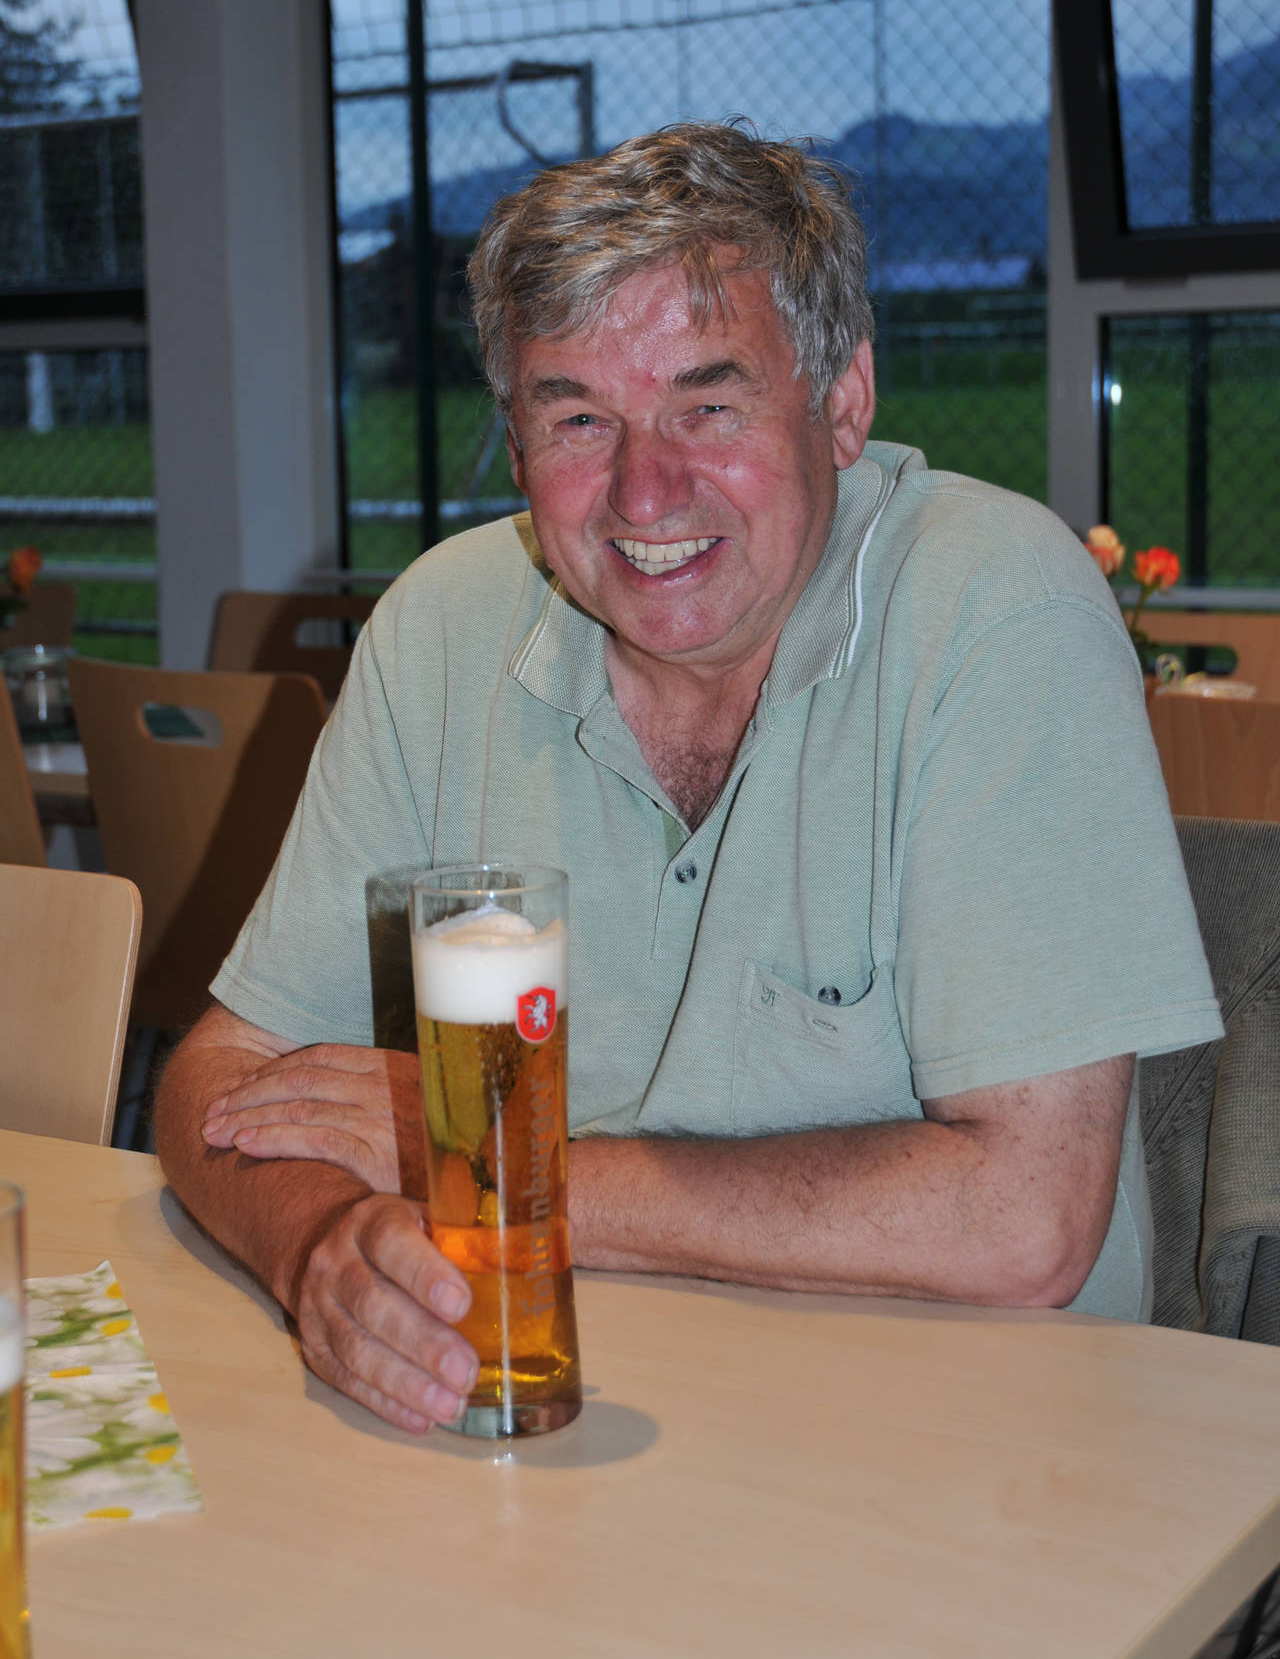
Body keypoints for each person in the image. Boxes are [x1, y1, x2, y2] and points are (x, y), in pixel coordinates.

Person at [155, 121, 1221, 1436]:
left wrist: (489, 1170)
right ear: (516, 442)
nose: (643, 493)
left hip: (979, 1460)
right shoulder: (441, 625)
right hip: (575, 1420)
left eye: (707, 407)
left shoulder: (998, 609)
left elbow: (1025, 1221)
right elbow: (219, 1075)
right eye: (576, 419)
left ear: (843, 401)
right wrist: (320, 1249)